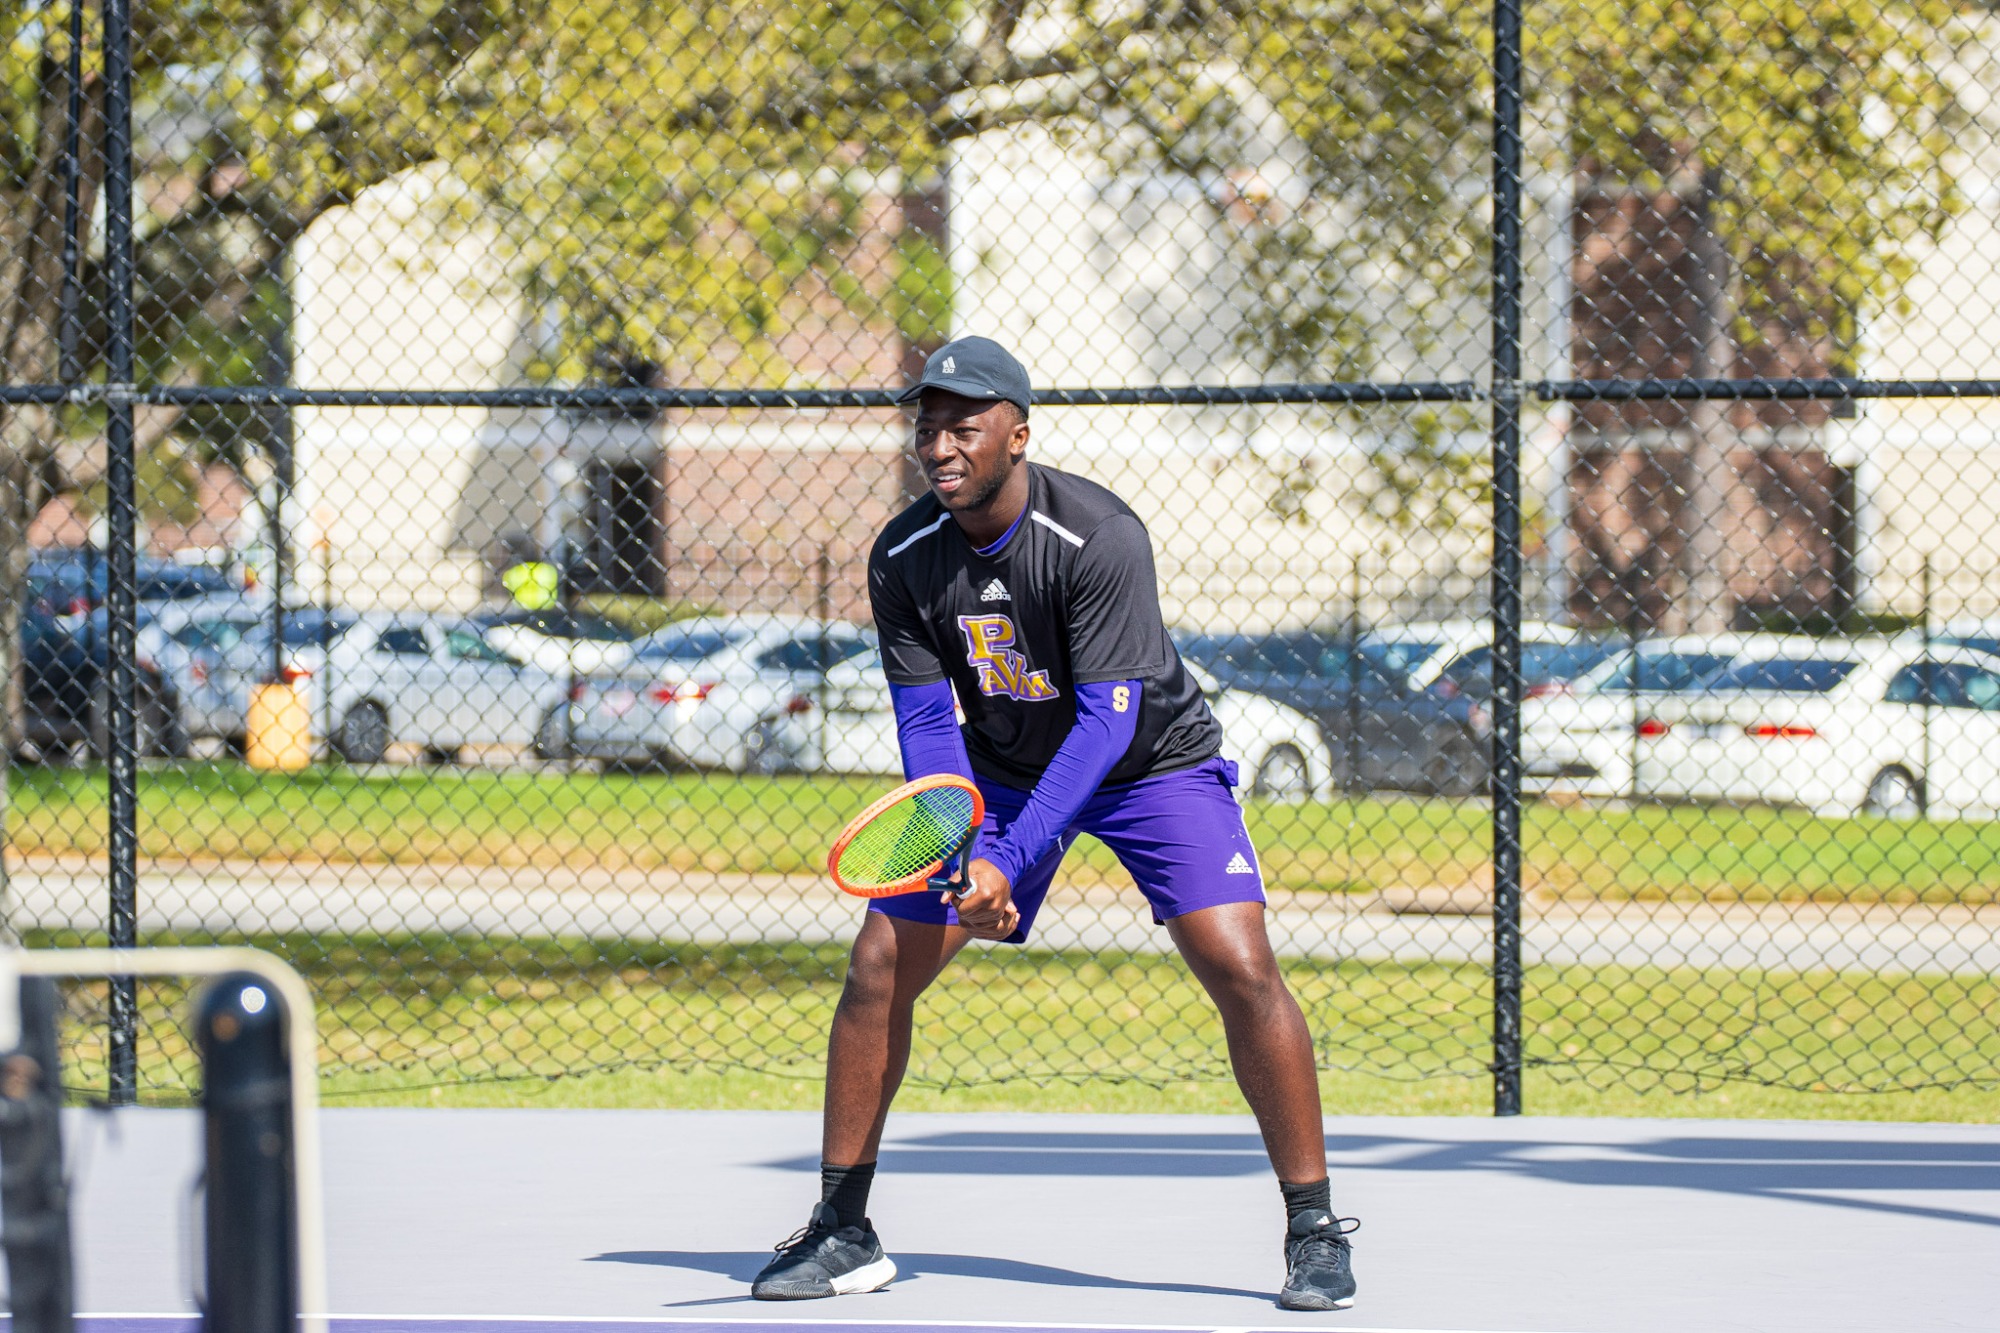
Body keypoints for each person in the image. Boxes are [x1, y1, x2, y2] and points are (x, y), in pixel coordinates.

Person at [751, 337, 1358, 1312]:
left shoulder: (1097, 534)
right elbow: (923, 721)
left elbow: (1106, 720)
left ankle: (1313, 1227)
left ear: (1016, 434)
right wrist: (962, 843)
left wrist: (1012, 857)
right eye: (926, 425)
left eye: (964, 424)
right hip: (992, 769)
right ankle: (843, 1227)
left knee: (1238, 962)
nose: (938, 444)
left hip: (1148, 765)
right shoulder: (902, 555)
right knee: (877, 962)